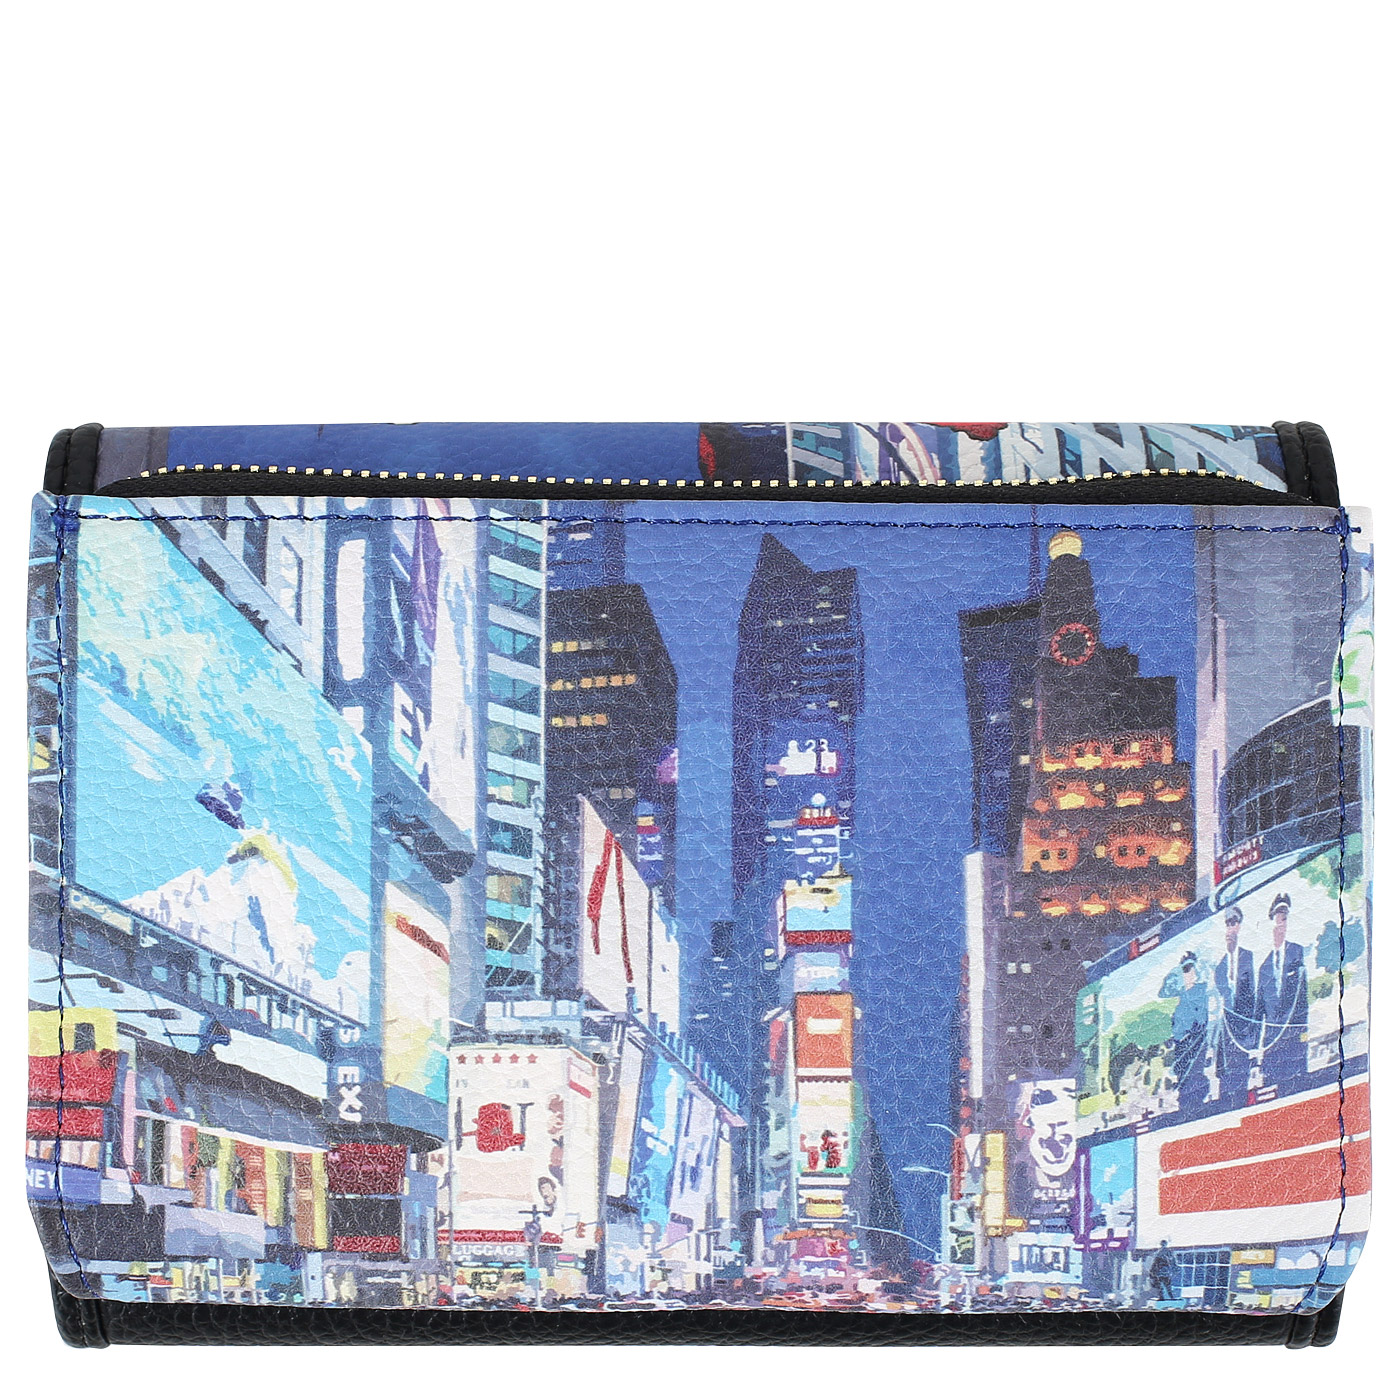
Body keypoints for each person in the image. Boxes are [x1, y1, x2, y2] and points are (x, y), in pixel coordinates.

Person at [1257, 891, 1309, 1088]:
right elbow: (1260, 1013)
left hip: (1294, 1041)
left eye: (1284, 919)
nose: (1281, 924)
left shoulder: (1297, 952)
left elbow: (1302, 1000)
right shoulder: (1264, 968)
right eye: (1278, 918)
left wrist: (1302, 1033)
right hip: (1273, 1045)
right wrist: (1260, 1048)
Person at [1212, 906, 1257, 1100]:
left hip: (1243, 1034)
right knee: (1225, 1084)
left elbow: (1253, 998)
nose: (1229, 929)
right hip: (1226, 1036)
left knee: (1240, 1082)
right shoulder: (1220, 967)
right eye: (1227, 924)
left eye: (1233, 923)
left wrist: (1253, 1036)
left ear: (1238, 926)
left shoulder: (1248, 957)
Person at [1159, 952, 1210, 1110]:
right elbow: (1163, 992)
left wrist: (1195, 1032)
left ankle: (1196, 1103)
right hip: (1180, 1041)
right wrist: (1177, 969)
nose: (1189, 974)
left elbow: (1202, 1017)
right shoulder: (1181, 992)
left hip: (1195, 1039)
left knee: (1194, 1072)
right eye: (1186, 971)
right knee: (1181, 1074)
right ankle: (1184, 1102)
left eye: (1191, 970)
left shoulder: (1200, 989)